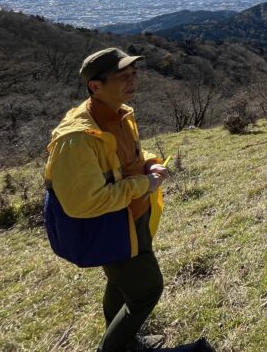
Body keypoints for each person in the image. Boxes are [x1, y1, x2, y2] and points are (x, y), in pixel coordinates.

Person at [44, 48, 169, 352]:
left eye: (134, 74)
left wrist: (150, 162)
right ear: (95, 86)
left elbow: (124, 160)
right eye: (123, 77)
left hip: (131, 217)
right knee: (147, 289)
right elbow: (84, 203)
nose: (132, 81)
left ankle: (125, 341)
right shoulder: (77, 138)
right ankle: (113, 349)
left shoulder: (120, 114)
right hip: (110, 224)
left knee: (121, 284)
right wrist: (145, 183)